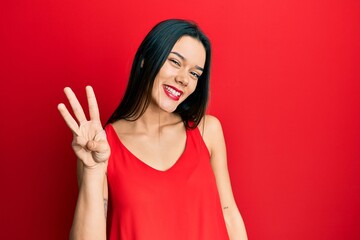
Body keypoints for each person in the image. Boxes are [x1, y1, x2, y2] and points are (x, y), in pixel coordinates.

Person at [58, 19, 248, 240]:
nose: (184, 79)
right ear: (145, 59)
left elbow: (229, 215)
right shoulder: (102, 147)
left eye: (195, 74)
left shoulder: (208, 131)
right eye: (175, 62)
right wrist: (92, 171)